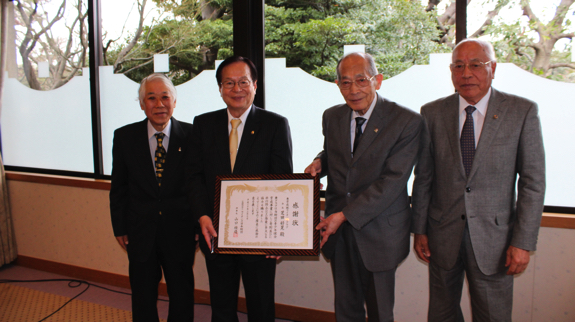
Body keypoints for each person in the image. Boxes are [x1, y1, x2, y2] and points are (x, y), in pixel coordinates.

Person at [411, 38, 546, 321]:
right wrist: (420, 228)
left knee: (493, 315)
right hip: (441, 234)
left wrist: (523, 242)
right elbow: (424, 176)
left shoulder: (521, 112)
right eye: (458, 66)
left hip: (495, 241)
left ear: (493, 68)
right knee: (441, 314)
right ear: (451, 71)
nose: (466, 73)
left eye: (476, 65)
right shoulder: (432, 113)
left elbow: (533, 183)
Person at [305, 52, 423, 322]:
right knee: (346, 310)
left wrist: (344, 216)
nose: (354, 89)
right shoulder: (332, 116)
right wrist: (319, 162)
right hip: (339, 233)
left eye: (361, 80)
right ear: (337, 85)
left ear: (377, 81)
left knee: (381, 312)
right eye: (345, 83)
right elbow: (338, 153)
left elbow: (393, 182)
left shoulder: (406, 121)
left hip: (380, 232)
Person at [190, 56, 293, 322]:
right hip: (216, 232)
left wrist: (281, 235)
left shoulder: (274, 125)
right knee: (221, 307)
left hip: (259, 237)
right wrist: (202, 216)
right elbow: (195, 177)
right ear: (220, 88)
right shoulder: (203, 125)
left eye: (244, 82)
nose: (237, 89)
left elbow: (283, 182)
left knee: (260, 307)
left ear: (255, 85)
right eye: (229, 83)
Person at [110, 74, 196, 322]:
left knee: (181, 290)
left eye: (165, 97)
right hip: (139, 230)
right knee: (142, 292)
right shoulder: (124, 137)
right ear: (141, 104)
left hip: (180, 229)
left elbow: (197, 185)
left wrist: (199, 223)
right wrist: (120, 227)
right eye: (151, 98)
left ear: (175, 101)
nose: (159, 104)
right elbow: (119, 187)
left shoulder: (192, 136)